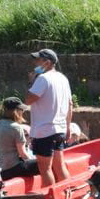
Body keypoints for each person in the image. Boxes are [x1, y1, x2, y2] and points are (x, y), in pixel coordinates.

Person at [24, 48, 72, 186]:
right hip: (60, 129)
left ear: (47, 62)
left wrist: (31, 81)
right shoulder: (63, 78)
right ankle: (69, 194)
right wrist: (68, 127)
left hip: (44, 131)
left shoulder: (42, 79)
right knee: (59, 166)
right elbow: (70, 104)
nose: (35, 63)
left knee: (45, 170)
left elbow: (28, 100)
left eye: (38, 60)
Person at [0, 96, 38, 180]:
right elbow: (23, 154)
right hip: (14, 167)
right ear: (16, 111)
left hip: (1, 167)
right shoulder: (16, 127)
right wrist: (34, 161)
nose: (22, 112)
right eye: (21, 110)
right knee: (44, 164)